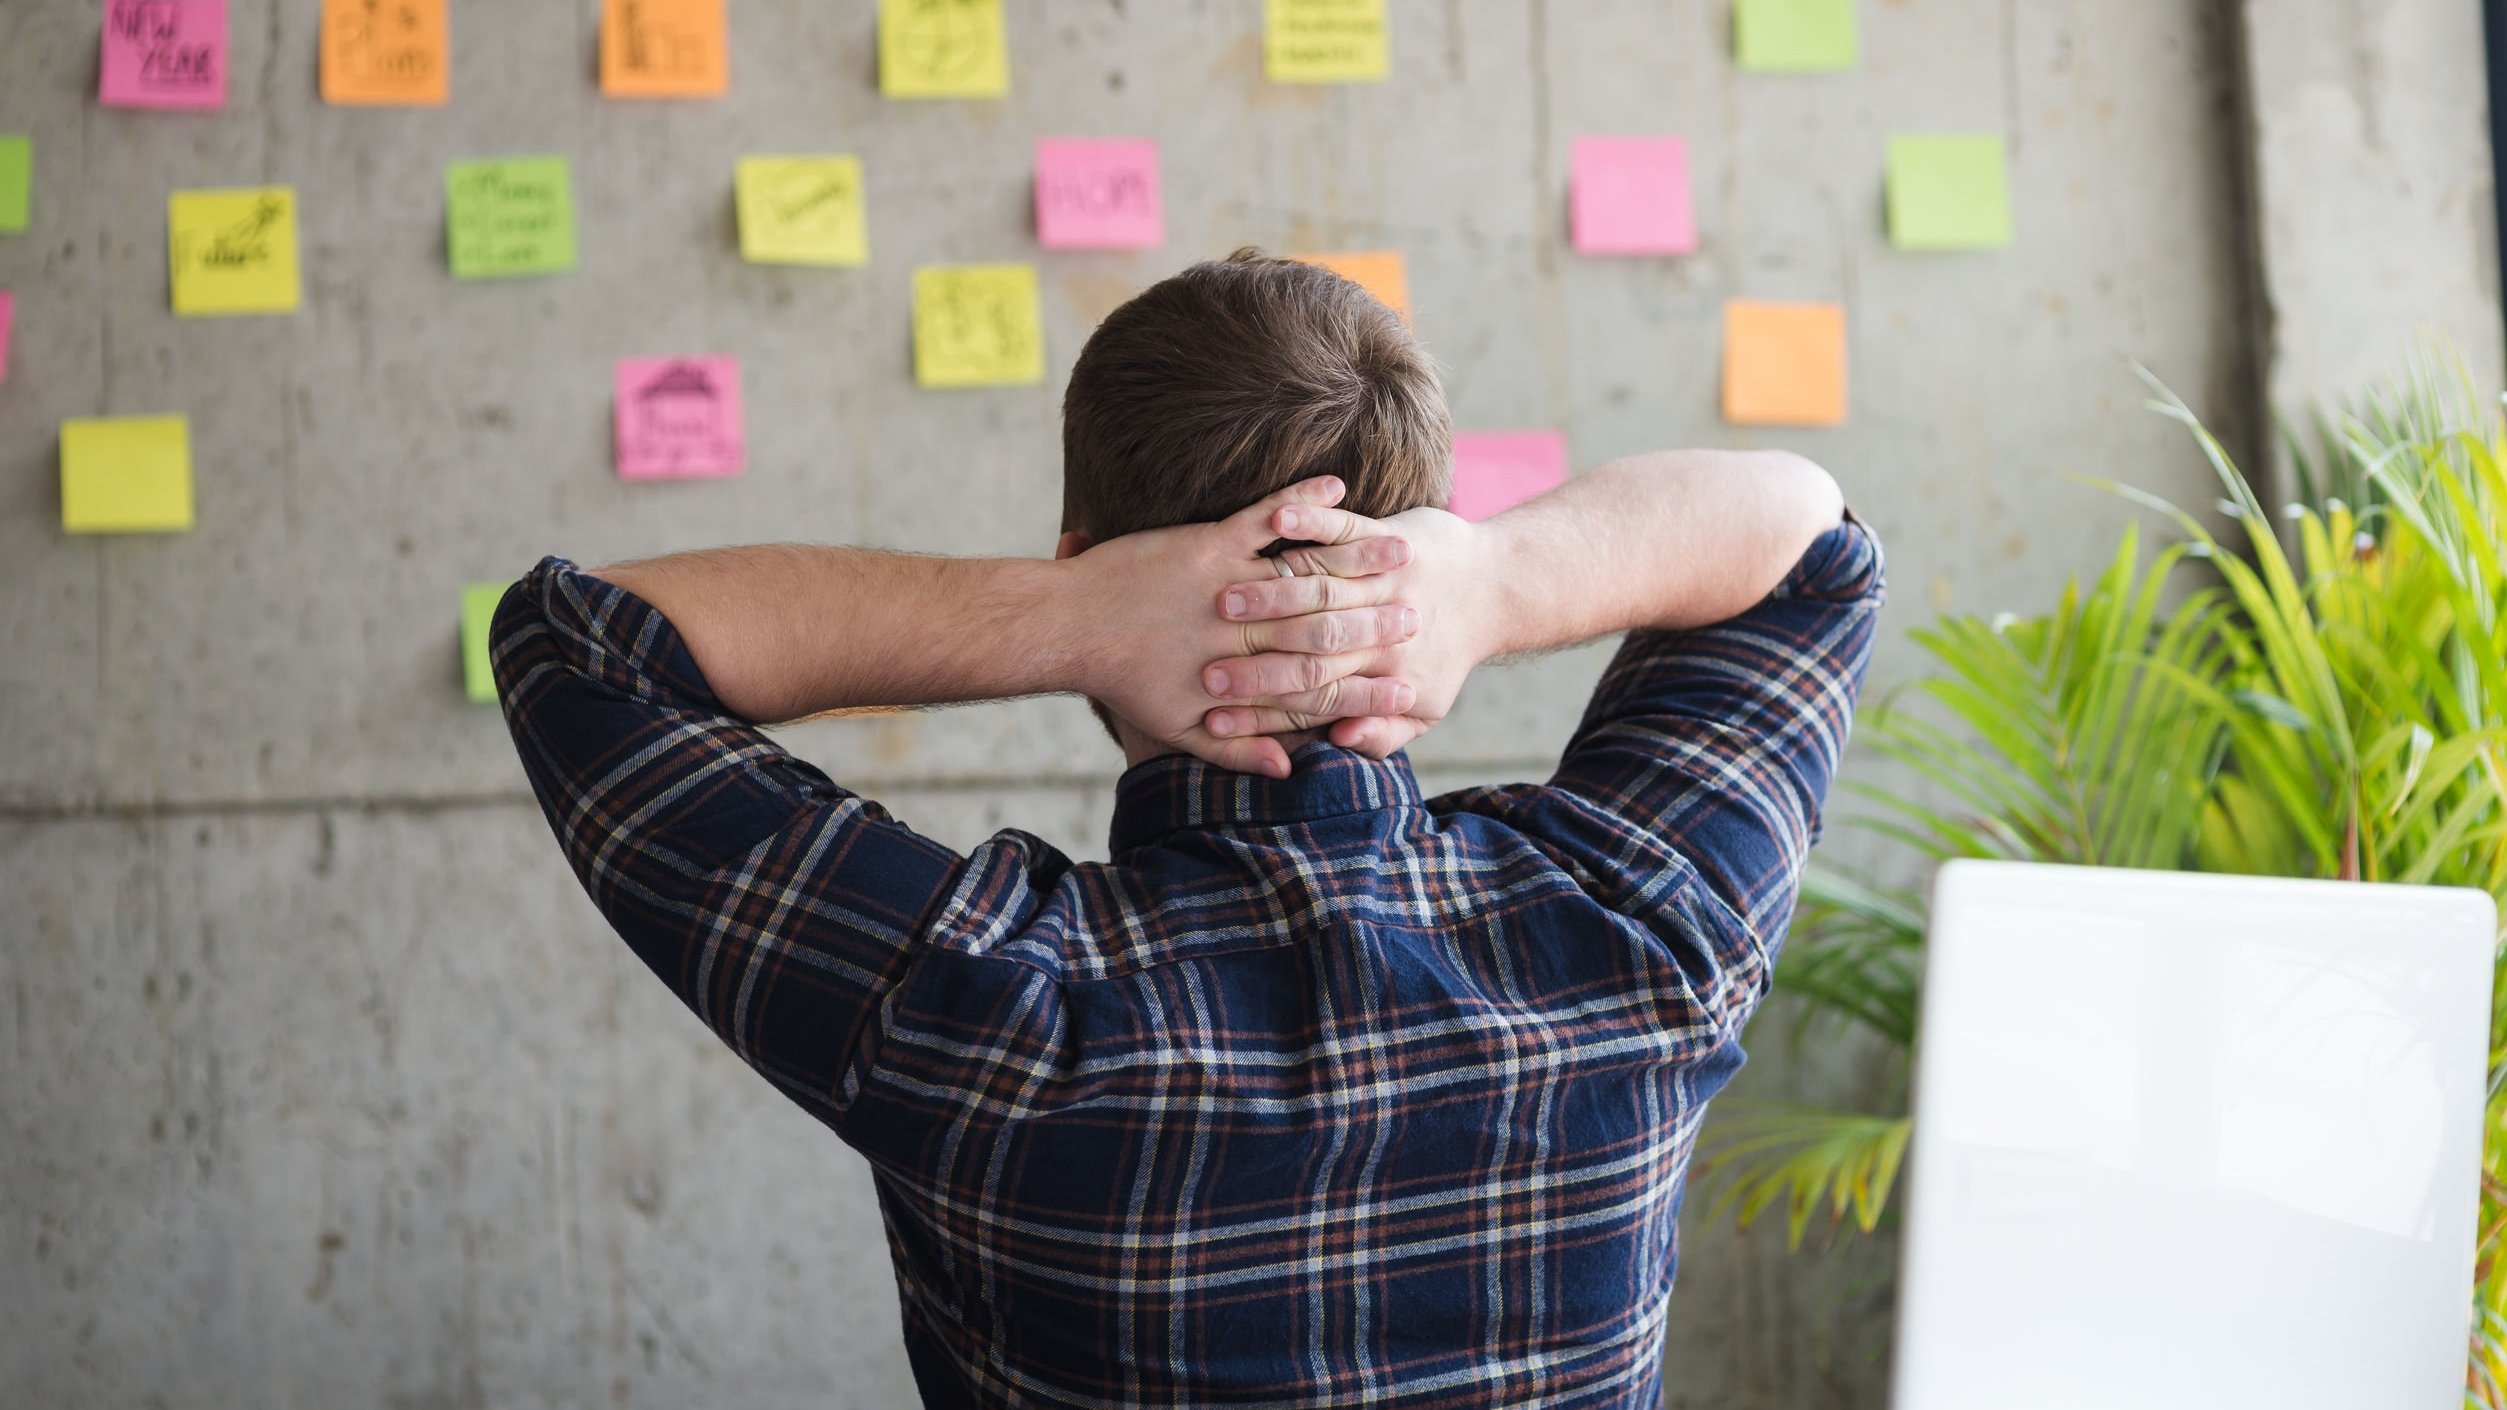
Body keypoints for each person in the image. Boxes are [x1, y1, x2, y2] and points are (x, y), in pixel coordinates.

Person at [491, 250, 1882, 1408]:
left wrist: (1074, 617)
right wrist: (1503, 581)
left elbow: (579, 641)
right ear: (1423, 545)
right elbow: (1810, 551)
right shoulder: (1636, 936)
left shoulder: (983, 1015)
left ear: (1085, 552)